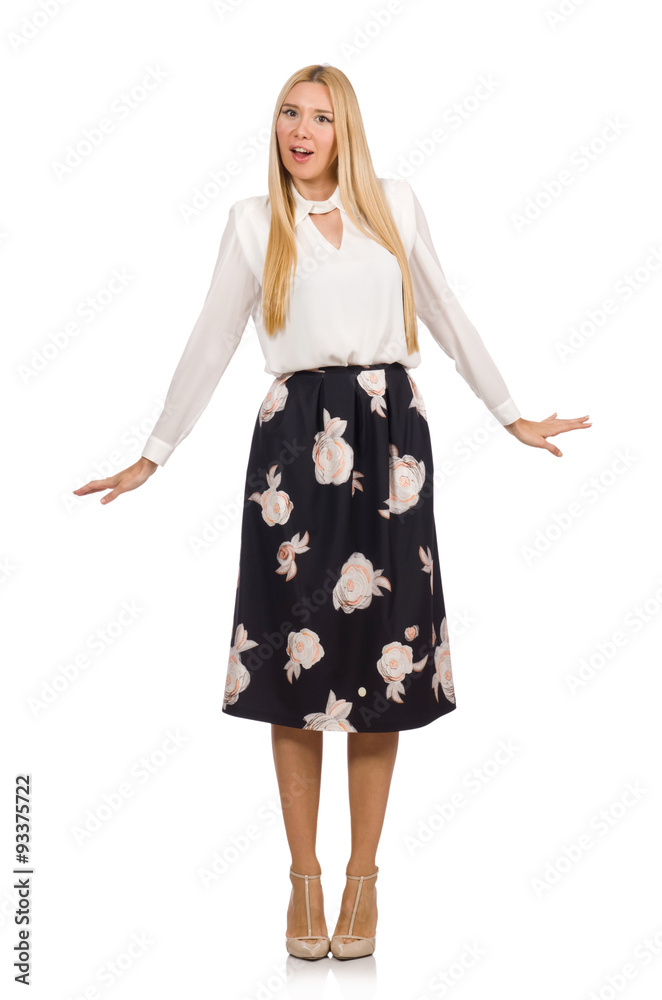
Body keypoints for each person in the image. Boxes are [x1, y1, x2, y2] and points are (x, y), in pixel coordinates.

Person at [73, 64, 591, 961]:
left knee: (385, 659)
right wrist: (154, 453)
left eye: (319, 116)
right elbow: (211, 340)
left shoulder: (396, 205)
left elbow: (445, 311)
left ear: (345, 128)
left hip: (392, 443)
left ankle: (364, 880)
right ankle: (303, 880)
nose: (300, 130)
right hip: (293, 443)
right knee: (295, 659)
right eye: (288, 113)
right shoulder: (253, 223)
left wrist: (512, 416)